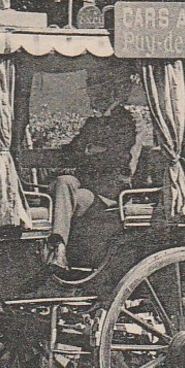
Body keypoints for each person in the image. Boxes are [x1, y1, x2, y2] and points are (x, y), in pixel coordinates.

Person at [43, 107, 140, 272]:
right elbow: (72, 150)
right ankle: (58, 247)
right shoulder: (92, 123)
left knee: (64, 194)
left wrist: (89, 153)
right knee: (63, 181)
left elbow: (120, 157)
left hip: (106, 194)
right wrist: (89, 150)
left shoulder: (125, 122)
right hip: (86, 186)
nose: (94, 94)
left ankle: (57, 249)